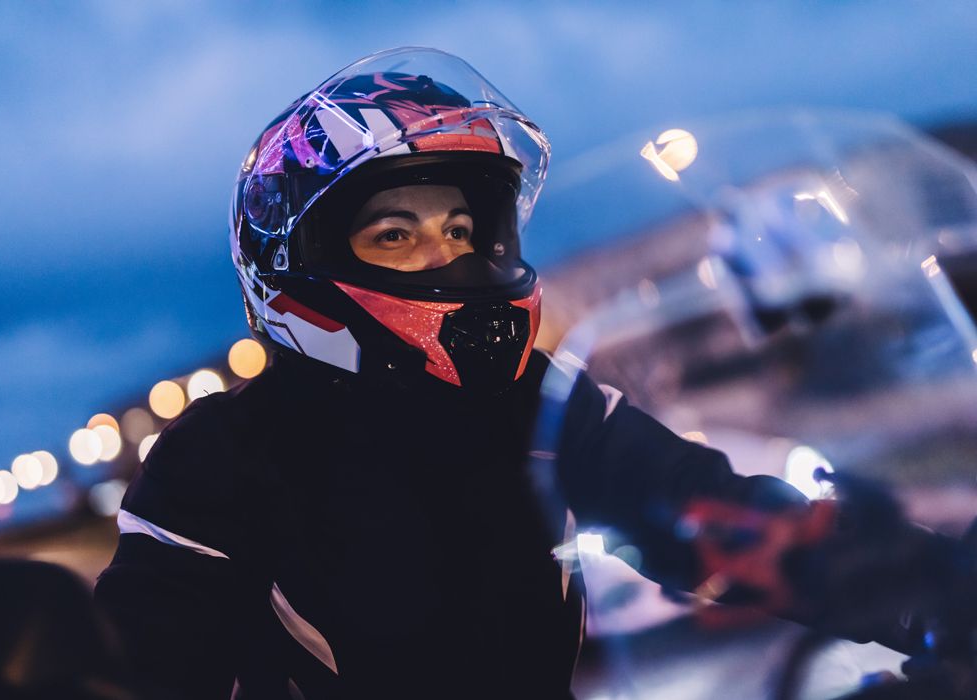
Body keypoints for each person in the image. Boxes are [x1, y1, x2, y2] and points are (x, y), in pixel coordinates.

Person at [93, 48, 957, 699]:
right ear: (300, 269)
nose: (445, 256)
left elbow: (713, 515)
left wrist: (928, 588)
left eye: (463, 230)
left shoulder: (535, 402)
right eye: (395, 234)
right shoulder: (223, 455)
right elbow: (144, 665)